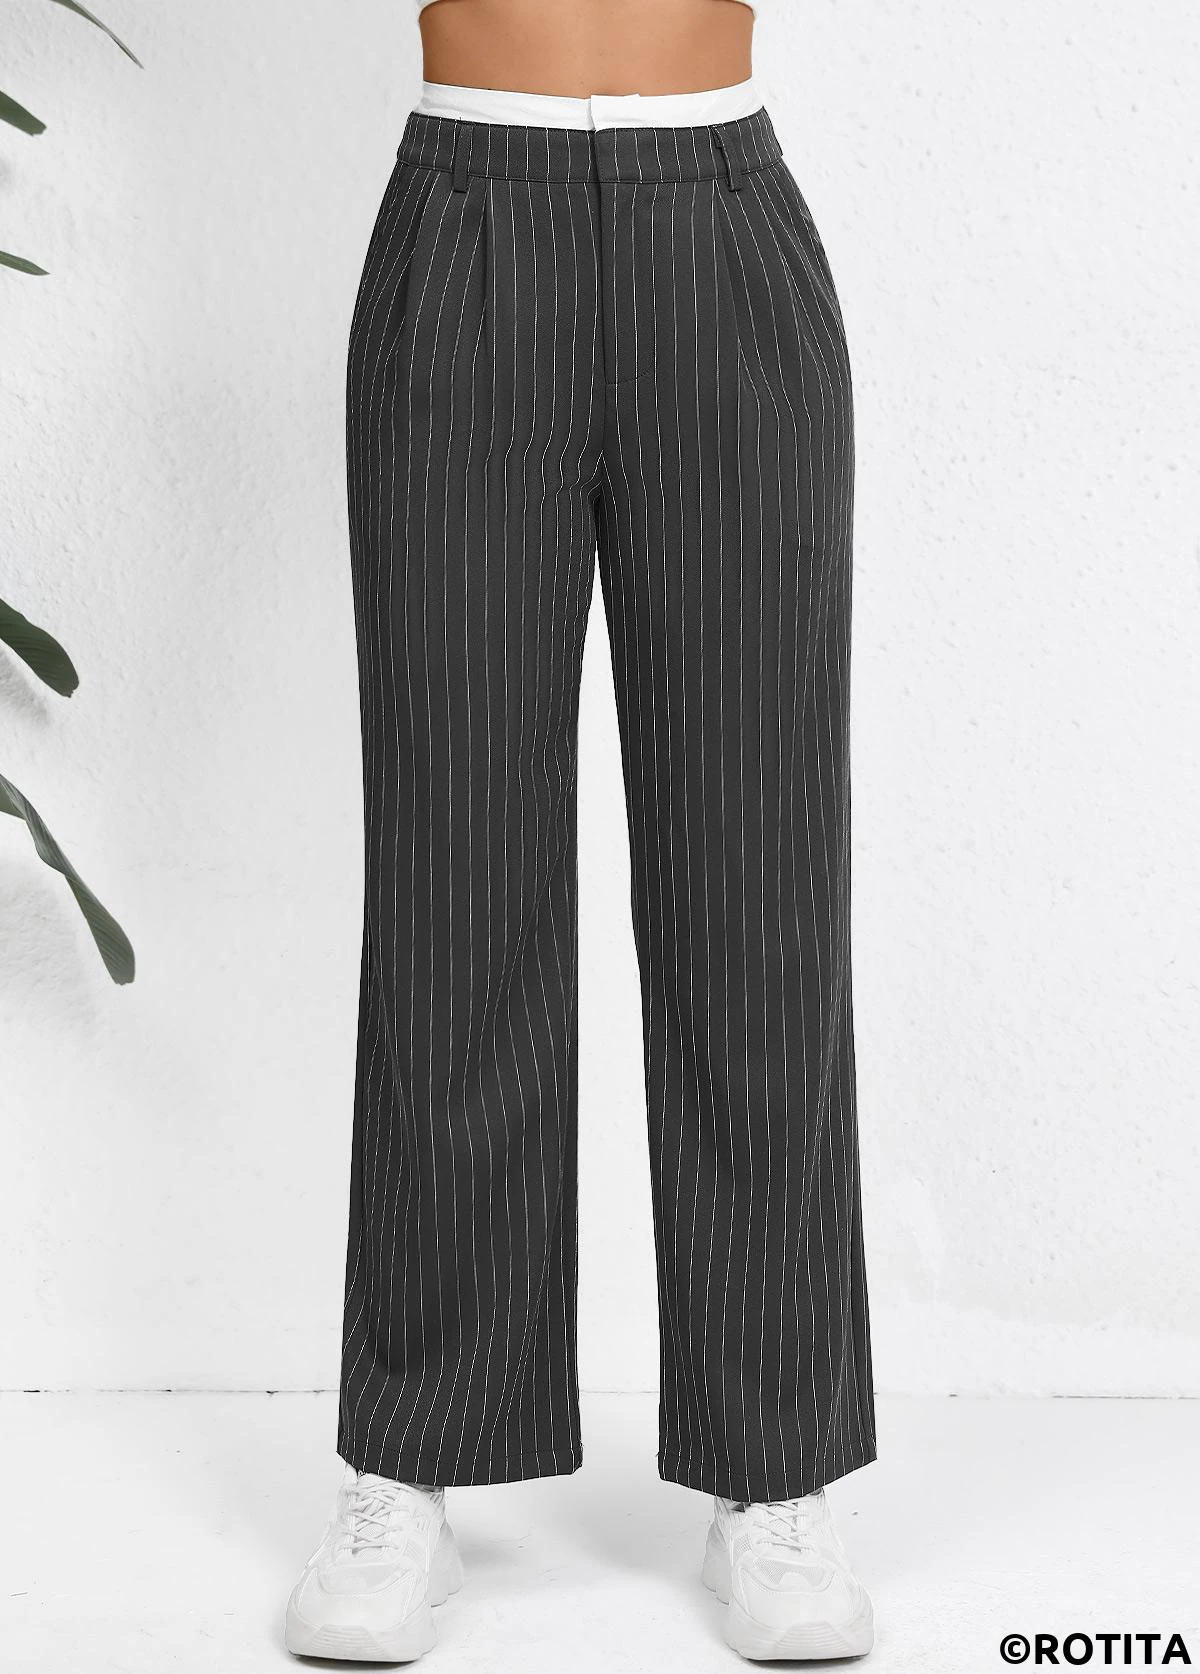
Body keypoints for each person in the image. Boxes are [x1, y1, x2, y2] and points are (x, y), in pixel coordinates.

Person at [285, 0, 876, 1661]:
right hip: (467, 218)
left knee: (758, 883)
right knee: (452, 881)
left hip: (724, 230)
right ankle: (410, 1452)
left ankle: (776, 1463)